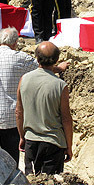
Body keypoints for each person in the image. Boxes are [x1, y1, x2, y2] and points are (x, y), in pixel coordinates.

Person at [0, 27, 69, 164]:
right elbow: (44, 68)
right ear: (15, 42)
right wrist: (60, 68)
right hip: (10, 120)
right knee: (11, 163)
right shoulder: (21, 58)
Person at [16, 41, 73, 175]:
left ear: (37, 58)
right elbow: (66, 119)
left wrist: (22, 136)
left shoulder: (24, 80)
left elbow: (19, 112)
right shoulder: (60, 86)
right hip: (53, 142)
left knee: (31, 178)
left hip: (31, 141)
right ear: (56, 60)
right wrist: (69, 146)